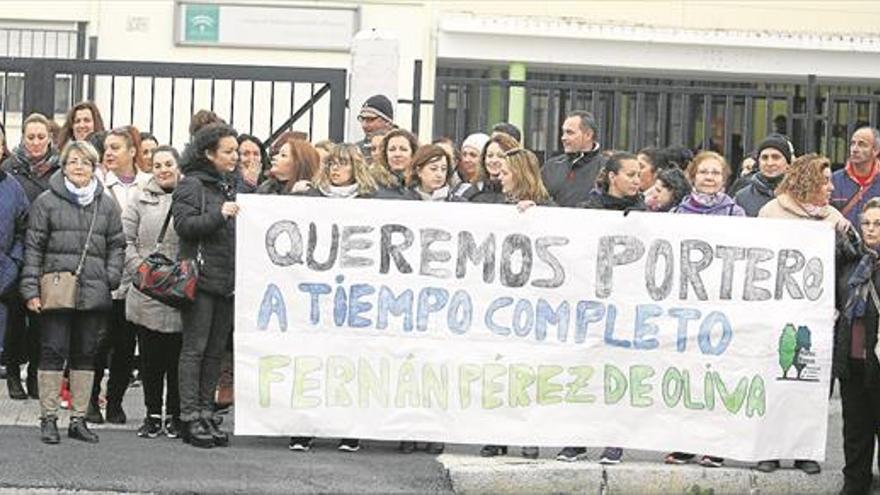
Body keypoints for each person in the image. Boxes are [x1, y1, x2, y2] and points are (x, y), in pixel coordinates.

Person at [20, 140, 125, 444]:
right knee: (52, 351)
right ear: (63, 165)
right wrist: (30, 290)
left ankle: (78, 419)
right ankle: (49, 418)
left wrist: (110, 277)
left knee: (86, 355)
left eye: (86, 162)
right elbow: (33, 248)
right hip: (55, 291)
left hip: (93, 292)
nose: (80, 167)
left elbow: (117, 244)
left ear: (95, 168)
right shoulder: (45, 202)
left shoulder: (106, 204)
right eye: (73, 161)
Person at [754, 153, 843, 475]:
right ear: (807, 180)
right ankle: (769, 452)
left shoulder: (833, 217)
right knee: (774, 383)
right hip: (777, 312)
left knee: (809, 385)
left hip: (816, 316)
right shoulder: (772, 212)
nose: (831, 187)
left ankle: (805, 451)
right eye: (825, 180)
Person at [287, 144, 377, 453]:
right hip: (317, 294)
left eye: (343, 164)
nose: (336, 169)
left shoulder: (371, 202)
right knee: (313, 360)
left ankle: (348, 429)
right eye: (333, 164)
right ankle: (303, 427)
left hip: (355, 298)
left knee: (349, 363)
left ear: (356, 168)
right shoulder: (312, 199)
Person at [172, 123, 240, 449]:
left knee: (215, 353)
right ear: (209, 153)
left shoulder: (231, 185)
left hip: (227, 282)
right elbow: (184, 226)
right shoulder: (191, 185)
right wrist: (219, 215)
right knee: (195, 350)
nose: (235, 157)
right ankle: (188, 416)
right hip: (199, 282)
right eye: (228, 151)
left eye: (236, 151)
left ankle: (205, 410)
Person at [87, 126, 149, 425]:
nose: (109, 153)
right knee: (97, 342)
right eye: (107, 148)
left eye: (116, 147)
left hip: (135, 278)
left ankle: (115, 401)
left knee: (125, 345)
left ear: (132, 151)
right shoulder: (96, 181)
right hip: (102, 273)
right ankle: (89, 400)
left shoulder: (146, 184)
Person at [123, 145, 184, 440]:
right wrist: (140, 270)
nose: (163, 169)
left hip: (180, 290)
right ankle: (151, 415)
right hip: (147, 289)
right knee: (150, 358)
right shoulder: (138, 199)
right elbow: (125, 240)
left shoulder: (189, 197)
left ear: (178, 165)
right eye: (157, 164)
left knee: (176, 358)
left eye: (168, 163)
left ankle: (174, 415)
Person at [1, 113, 61, 401]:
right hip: (18, 253)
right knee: (15, 317)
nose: (36, 142)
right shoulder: (9, 168)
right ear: (22, 139)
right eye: (30, 137)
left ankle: (36, 374)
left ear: (49, 138)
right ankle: (13, 373)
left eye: (41, 137)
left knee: (42, 319)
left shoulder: (59, 170)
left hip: (49, 255)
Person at [834, 198, 880, 494]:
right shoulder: (849, 260)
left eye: (878, 224)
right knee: (855, 432)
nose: (871, 229)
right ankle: (855, 484)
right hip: (852, 360)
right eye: (866, 223)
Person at [0, 162, 28, 397]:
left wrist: (14, 262)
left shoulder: (13, 187)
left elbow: (22, 229)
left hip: (5, 267)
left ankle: (12, 375)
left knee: (10, 327)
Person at [541, 110, 606, 207]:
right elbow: (536, 196)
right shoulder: (551, 166)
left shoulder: (605, 167)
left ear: (588, 135)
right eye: (563, 132)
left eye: (569, 133)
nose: (563, 138)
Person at [734, 134, 793, 217]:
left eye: (776, 157)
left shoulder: (800, 195)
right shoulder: (741, 198)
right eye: (765, 157)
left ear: (788, 163)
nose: (770, 163)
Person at [672, 151, 745, 217]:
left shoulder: (735, 213)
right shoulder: (677, 213)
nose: (709, 177)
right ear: (693, 177)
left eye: (715, 173)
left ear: (723, 179)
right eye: (703, 172)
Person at [832, 127, 880, 226]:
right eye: (853, 143)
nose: (855, 149)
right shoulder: (834, 179)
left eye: (862, 144)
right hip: (841, 240)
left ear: (875, 150)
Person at [578, 152, 646, 212]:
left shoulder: (645, 212)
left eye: (639, 175)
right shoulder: (588, 210)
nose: (637, 181)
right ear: (612, 176)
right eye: (630, 175)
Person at [466, 134, 520, 204]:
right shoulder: (472, 192)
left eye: (501, 156)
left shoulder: (522, 194)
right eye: (490, 156)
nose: (494, 161)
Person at [372, 129, 419, 200]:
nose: (397, 154)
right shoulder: (372, 186)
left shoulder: (422, 184)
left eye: (403, 149)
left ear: (413, 153)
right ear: (385, 154)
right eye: (392, 149)